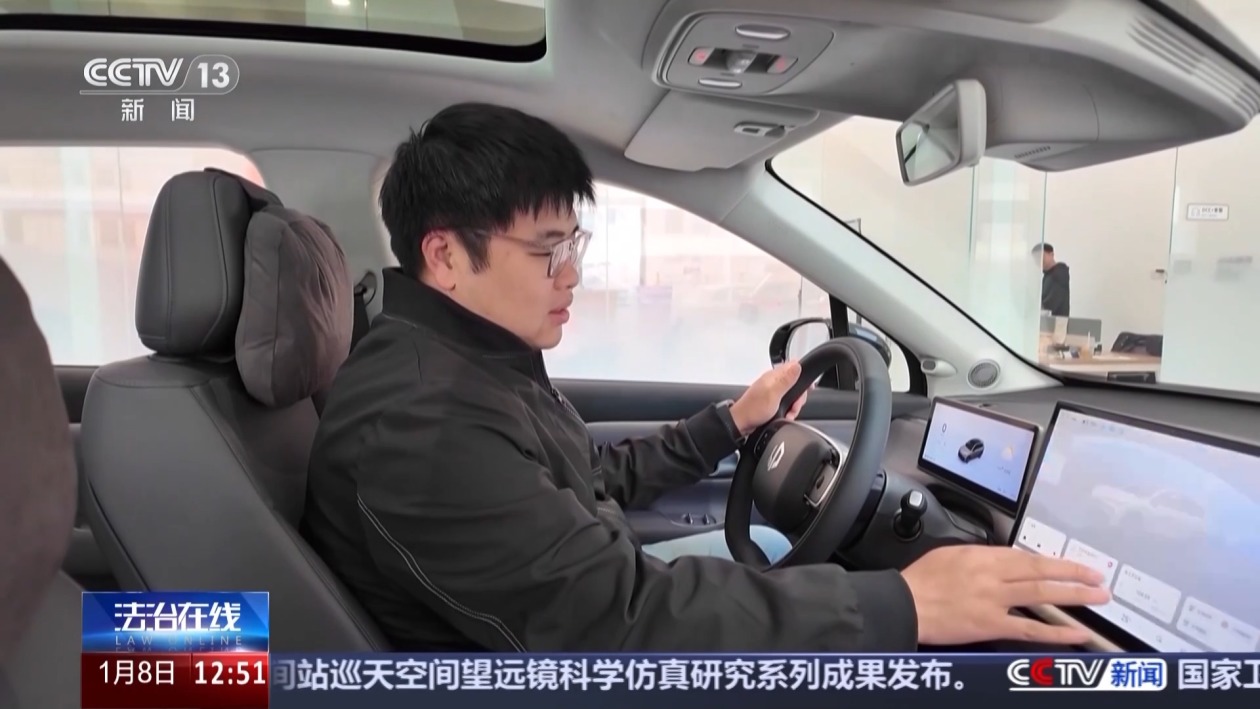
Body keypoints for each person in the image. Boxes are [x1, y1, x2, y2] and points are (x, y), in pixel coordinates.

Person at [303, 102, 1109, 652]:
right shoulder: (422, 424)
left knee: (774, 549)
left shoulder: (474, 363)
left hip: (586, 609)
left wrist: (731, 423)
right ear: (445, 254)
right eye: (548, 250)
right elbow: (616, 624)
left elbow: (587, 477)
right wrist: (906, 603)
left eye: (574, 245)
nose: (572, 273)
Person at [1033, 243, 1071, 317]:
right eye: (1036, 258)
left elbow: (1050, 304)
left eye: (1041, 256)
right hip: (1049, 320)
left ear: (1051, 254)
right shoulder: (1048, 275)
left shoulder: (1060, 272)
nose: (1039, 260)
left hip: (1056, 321)